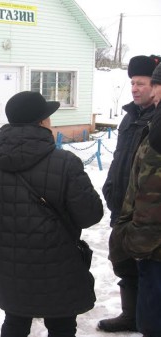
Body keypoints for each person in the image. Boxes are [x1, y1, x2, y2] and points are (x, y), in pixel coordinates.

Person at [0, 91, 103, 337]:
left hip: (11, 267)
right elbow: (90, 215)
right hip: (59, 264)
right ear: (42, 122)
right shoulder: (66, 162)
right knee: (61, 326)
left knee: (15, 322)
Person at [99, 54, 161, 333]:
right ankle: (131, 315)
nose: (135, 88)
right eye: (132, 83)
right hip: (122, 206)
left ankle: (147, 320)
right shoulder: (129, 118)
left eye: (142, 83)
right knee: (124, 265)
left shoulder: (155, 123)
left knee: (148, 272)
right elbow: (120, 159)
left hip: (146, 213)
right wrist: (110, 186)